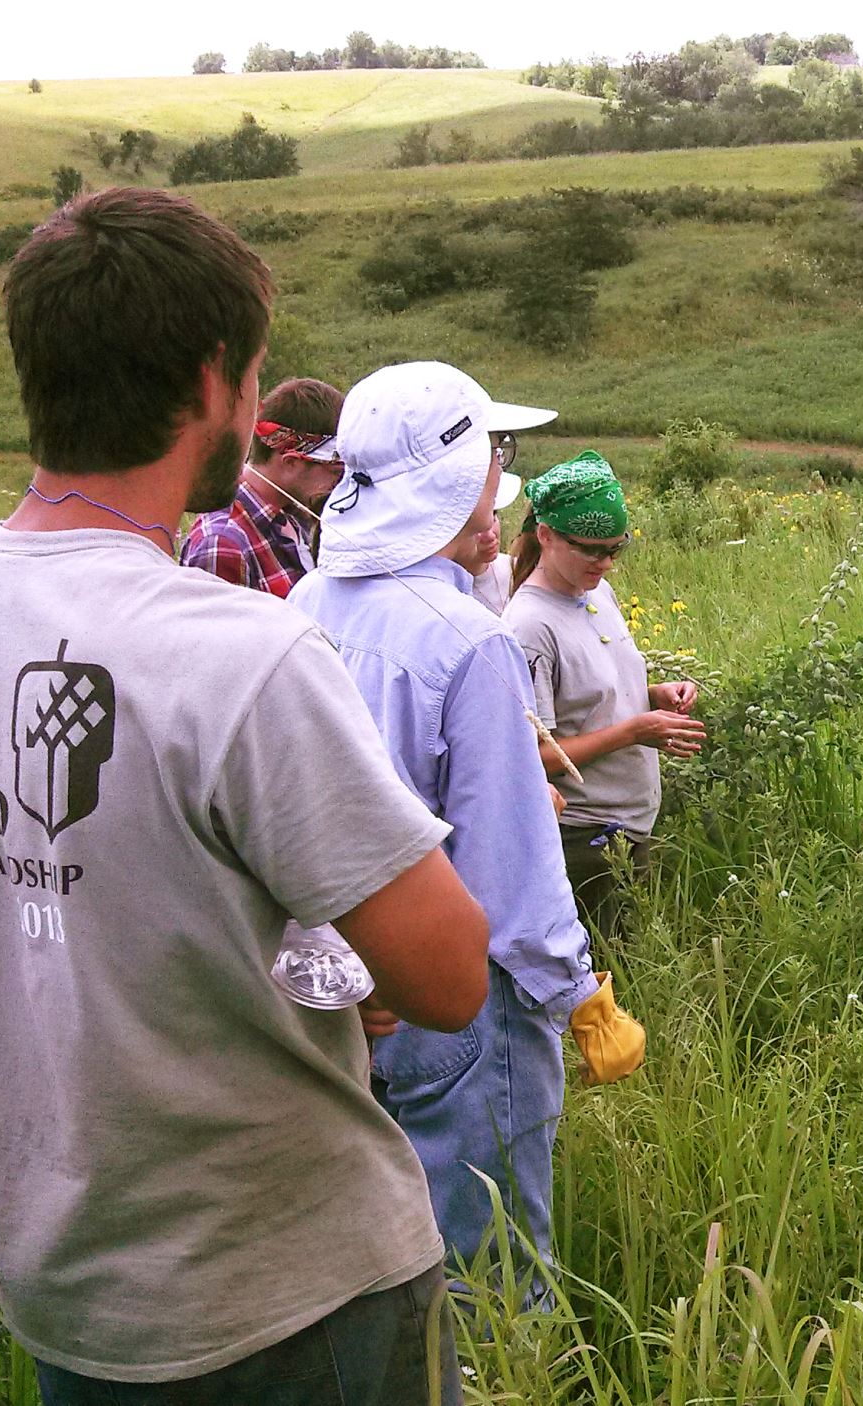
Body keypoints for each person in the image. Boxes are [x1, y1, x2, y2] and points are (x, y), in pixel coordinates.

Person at [0, 187, 490, 1403]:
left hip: (73, 1292)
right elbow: (450, 978)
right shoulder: (240, 654)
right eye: (255, 377)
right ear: (213, 381)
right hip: (293, 1286)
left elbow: (57, 906)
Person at [291, 362, 647, 1299]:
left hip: (347, 992)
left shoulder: (306, 604)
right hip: (464, 1000)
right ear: (456, 476)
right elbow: (509, 869)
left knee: (381, 1247)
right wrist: (577, 993)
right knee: (489, 1267)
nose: (502, 472)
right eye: (496, 452)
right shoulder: (468, 641)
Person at [502, 452, 704, 949]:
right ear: (546, 534)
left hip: (632, 820)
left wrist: (654, 696)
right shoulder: (528, 626)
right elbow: (537, 755)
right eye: (592, 550)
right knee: (607, 973)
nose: (606, 563)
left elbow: (594, 695)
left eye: (617, 549)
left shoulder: (597, 593)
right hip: (585, 834)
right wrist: (637, 731)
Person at [178, 376, 343, 597]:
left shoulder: (292, 514)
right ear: (291, 462)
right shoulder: (222, 544)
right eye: (334, 471)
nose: (339, 482)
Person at [470, 415, 556, 613]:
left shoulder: (519, 570)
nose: (489, 533)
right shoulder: (447, 591)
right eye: (474, 524)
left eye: (495, 515)